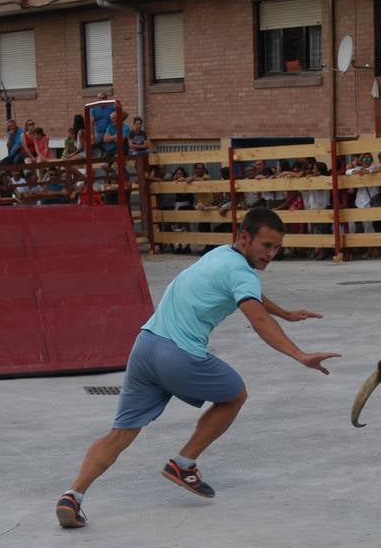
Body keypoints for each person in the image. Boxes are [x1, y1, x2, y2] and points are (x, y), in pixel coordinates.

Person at [53, 206, 339, 527]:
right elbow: (256, 316)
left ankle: (72, 496)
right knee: (235, 394)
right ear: (245, 238)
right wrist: (299, 355)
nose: (271, 254)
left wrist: (284, 313)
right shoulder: (241, 273)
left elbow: (250, 294)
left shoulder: (220, 256)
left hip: (145, 347)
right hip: (179, 355)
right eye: (266, 246)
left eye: (277, 248)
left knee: (120, 434)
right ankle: (183, 463)